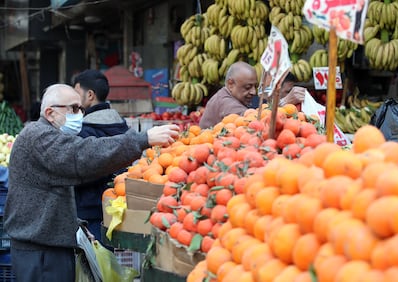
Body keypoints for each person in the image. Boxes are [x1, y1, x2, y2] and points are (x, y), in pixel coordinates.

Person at [3, 84, 179, 282]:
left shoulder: (47, 136)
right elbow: (82, 155)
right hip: (41, 252)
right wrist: (142, 140)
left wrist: (76, 226)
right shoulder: (38, 136)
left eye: (81, 108)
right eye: (74, 108)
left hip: (47, 245)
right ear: (50, 112)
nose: (80, 114)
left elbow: (50, 190)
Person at [73, 69, 129, 241]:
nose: (73, 100)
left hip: (89, 212)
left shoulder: (85, 130)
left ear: (90, 95)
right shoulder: (121, 126)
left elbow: (82, 170)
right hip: (115, 208)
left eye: (76, 93)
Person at [199, 62, 258, 129]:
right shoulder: (227, 103)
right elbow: (252, 120)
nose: (254, 92)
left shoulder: (223, 95)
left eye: (255, 86)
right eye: (247, 87)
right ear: (231, 84)